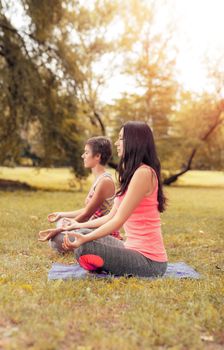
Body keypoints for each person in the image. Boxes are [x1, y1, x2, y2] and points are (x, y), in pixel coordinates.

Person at [49, 121, 168, 278]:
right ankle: (96, 260)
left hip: (150, 262)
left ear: (134, 141)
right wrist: (79, 225)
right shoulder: (133, 173)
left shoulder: (144, 173)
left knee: (84, 246)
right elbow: (110, 216)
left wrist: (86, 238)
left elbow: (118, 221)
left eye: (121, 139)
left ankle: (95, 260)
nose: (117, 143)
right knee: (80, 233)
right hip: (130, 247)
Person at [39, 136, 122, 252]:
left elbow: (86, 215)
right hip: (90, 227)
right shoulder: (99, 178)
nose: (83, 156)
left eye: (86, 152)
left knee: (56, 240)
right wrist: (62, 214)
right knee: (61, 221)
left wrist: (60, 230)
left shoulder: (105, 182)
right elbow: (87, 210)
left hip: (100, 232)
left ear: (97, 156)